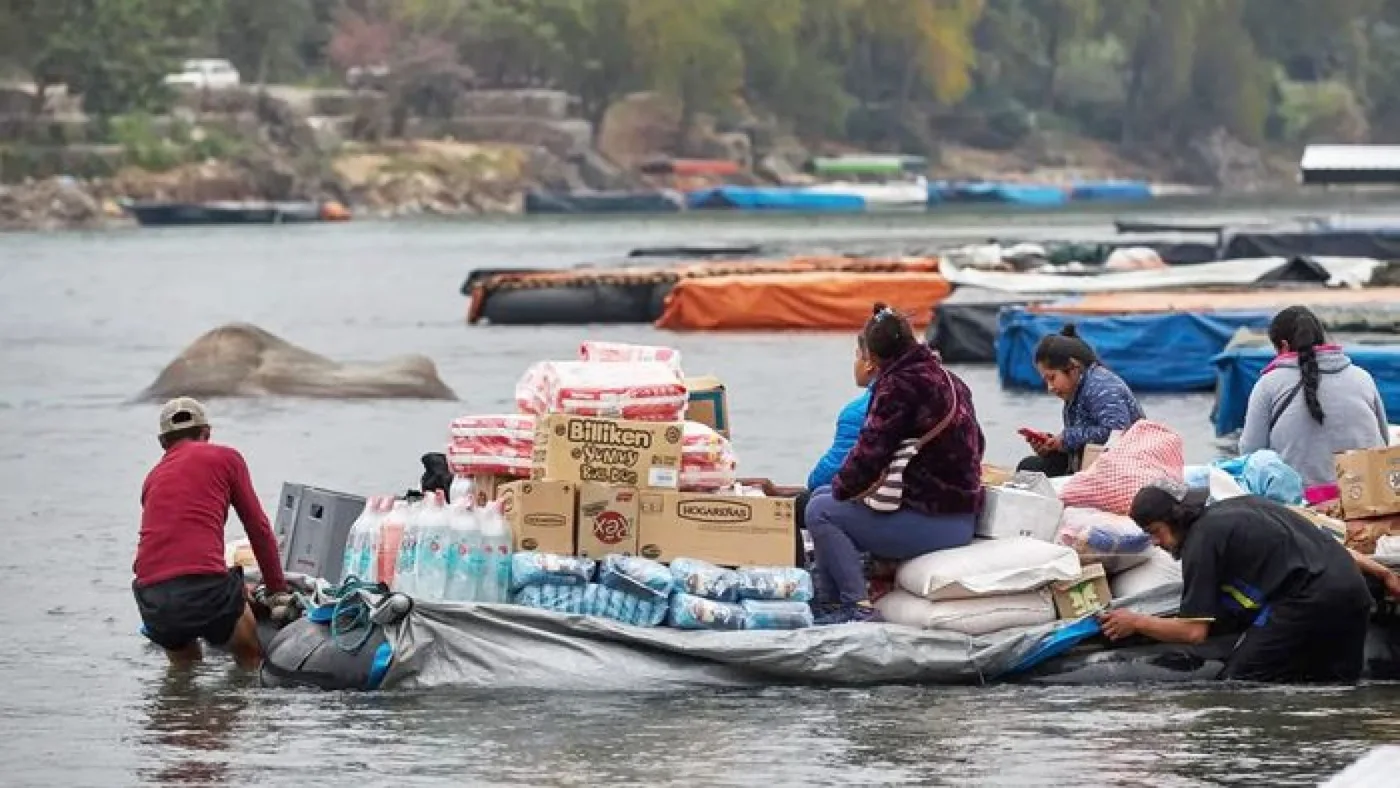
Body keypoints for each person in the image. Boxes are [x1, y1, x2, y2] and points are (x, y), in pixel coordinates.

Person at [1099, 479, 1400, 683]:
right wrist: (1383, 573)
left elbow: (1194, 632)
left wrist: (1136, 622)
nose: (1156, 542)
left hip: (1309, 601)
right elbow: (1326, 544)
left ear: (1175, 520)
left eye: (1155, 531)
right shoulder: (1245, 505)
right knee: (1341, 684)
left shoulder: (1201, 544)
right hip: (1354, 592)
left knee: (1238, 682)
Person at [805, 304, 985, 624]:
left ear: (872, 359)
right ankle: (829, 601)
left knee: (819, 509)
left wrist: (843, 489)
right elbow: (979, 445)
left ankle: (856, 606)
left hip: (934, 521)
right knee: (822, 497)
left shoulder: (898, 386)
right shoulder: (950, 379)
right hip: (960, 514)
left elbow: (869, 456)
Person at [133, 397, 288, 669]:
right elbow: (258, 528)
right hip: (203, 586)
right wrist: (277, 591)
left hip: (152, 596)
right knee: (250, 657)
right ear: (207, 434)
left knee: (183, 674)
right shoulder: (226, 458)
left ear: (163, 443)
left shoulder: (151, 478)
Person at [1239, 306, 1389, 487]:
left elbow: (1250, 454)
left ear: (1284, 346)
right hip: (1362, 496)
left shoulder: (1268, 385)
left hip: (1296, 503)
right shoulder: (1362, 377)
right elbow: (1383, 441)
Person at [1017, 324, 1144, 477]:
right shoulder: (1076, 390)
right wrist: (1053, 445)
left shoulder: (1102, 386)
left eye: (1052, 378)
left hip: (1126, 468)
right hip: (1093, 463)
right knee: (1029, 467)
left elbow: (1116, 432)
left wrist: (1066, 438)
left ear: (1073, 367)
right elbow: (1083, 436)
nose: (1050, 387)